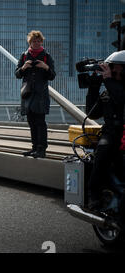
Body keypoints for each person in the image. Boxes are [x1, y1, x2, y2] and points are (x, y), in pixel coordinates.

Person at [85, 50, 125, 209]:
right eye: (110, 66)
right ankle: (93, 195)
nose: (111, 69)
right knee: (101, 154)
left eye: (114, 66)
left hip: (123, 131)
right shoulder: (108, 89)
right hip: (110, 132)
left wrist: (108, 80)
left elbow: (121, 98)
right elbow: (93, 113)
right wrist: (93, 88)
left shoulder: (116, 87)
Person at [15, 30, 55, 158]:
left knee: (40, 122)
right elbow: (17, 74)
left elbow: (52, 76)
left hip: (41, 95)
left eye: (39, 41)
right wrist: (23, 68)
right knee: (31, 122)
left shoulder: (46, 56)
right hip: (27, 95)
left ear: (41, 42)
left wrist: (46, 67)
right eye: (34, 41)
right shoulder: (24, 55)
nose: (36, 43)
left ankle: (41, 149)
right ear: (30, 42)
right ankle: (34, 148)